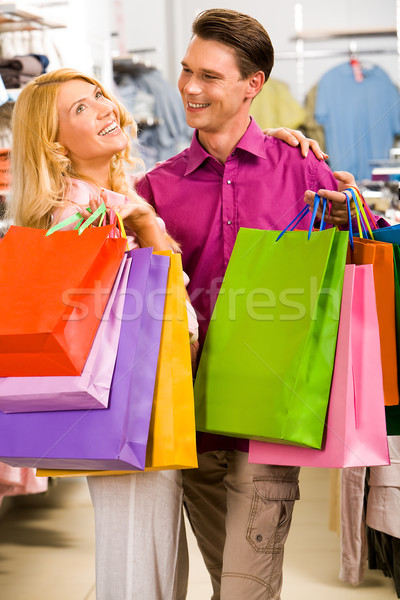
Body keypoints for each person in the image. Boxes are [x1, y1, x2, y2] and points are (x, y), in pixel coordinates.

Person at [6, 66, 323, 600]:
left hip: (145, 408)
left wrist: (277, 142)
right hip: (128, 408)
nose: (106, 107)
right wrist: (150, 229)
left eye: (100, 96)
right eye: (80, 109)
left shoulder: (120, 196)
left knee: (152, 563)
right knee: (139, 569)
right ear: (52, 142)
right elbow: (155, 316)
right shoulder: (79, 212)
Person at [134, 8, 363, 600]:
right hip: (190, 416)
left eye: (209, 76)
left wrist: (356, 209)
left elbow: (360, 257)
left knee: (244, 588)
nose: (188, 87)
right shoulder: (155, 188)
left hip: (269, 415)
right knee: (228, 583)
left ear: (252, 85)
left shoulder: (304, 169)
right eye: (186, 71)